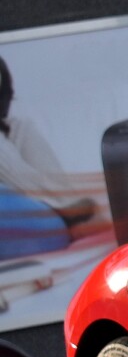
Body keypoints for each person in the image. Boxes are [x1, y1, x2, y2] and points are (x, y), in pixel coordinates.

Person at [0, 57, 108, 259]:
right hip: (27, 213)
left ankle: (67, 205)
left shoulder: (18, 128)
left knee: (19, 127)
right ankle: (66, 209)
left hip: (41, 207)